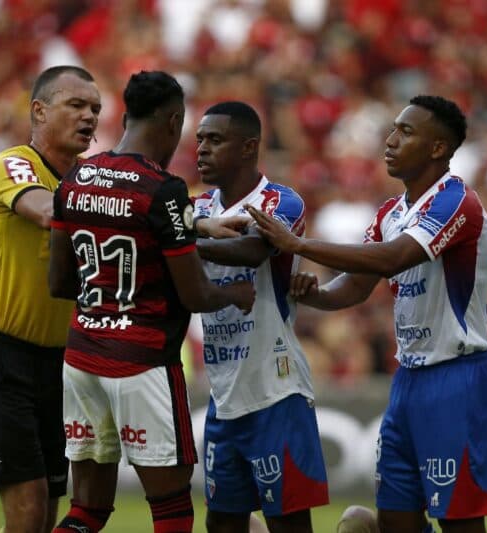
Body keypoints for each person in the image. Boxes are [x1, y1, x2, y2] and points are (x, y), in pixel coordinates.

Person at [247, 95, 487, 533]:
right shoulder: (390, 213)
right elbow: (353, 287)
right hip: (408, 380)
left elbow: (391, 260)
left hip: (457, 377)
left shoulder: (457, 202)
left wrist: (299, 245)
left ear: (438, 148)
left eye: (405, 132)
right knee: (392, 520)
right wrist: (313, 295)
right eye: (392, 130)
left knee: (459, 521)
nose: (390, 140)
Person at [47, 72, 255, 533]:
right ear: (174, 120)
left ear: (124, 118)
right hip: (142, 364)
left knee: (86, 511)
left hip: (82, 358)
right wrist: (235, 294)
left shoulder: (75, 179)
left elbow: (60, 283)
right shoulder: (163, 189)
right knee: (171, 509)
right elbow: (196, 294)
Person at [0, 65, 101, 533]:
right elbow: (45, 211)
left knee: (45, 516)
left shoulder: (92, 181)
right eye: (76, 105)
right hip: (0, 357)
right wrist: (124, 205)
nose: (90, 117)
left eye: (95, 109)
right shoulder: (13, 164)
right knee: (30, 507)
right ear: (39, 110)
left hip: (60, 363)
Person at [193, 101, 329, 533]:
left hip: (276, 390)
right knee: (221, 524)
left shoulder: (281, 201)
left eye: (215, 140)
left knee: (287, 524)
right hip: (225, 393)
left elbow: (253, 249)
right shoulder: (199, 209)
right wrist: (190, 233)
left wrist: (182, 240)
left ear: (249, 147)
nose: (201, 149)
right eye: (200, 139)